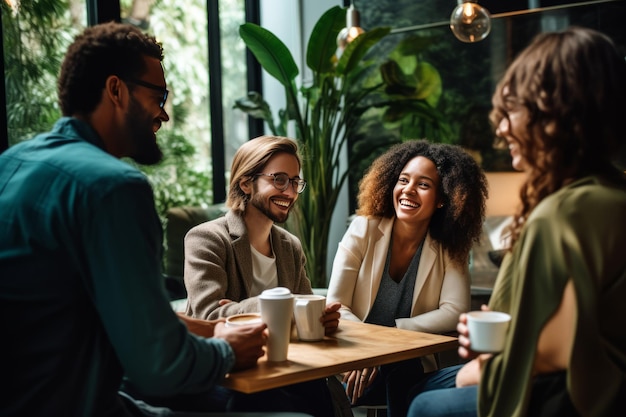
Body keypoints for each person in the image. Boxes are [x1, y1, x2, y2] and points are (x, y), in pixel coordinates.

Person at [0, 22, 303, 417]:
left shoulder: (12, 163)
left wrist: (213, 331)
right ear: (116, 90)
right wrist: (226, 350)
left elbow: (110, 318)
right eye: (157, 95)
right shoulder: (113, 188)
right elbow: (160, 367)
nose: (163, 113)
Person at [407, 26, 626, 417]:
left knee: (425, 404)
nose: (502, 128)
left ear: (554, 112)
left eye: (513, 111)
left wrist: (491, 349)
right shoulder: (612, 196)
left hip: (573, 399)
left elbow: (552, 354)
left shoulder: (561, 215)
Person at [183, 134, 343, 417]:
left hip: (286, 368)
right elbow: (208, 316)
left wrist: (319, 321)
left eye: (295, 182)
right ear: (246, 182)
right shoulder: (206, 238)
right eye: (279, 179)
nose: (290, 192)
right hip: (233, 377)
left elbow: (301, 309)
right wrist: (281, 305)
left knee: (323, 393)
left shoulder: (289, 246)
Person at [326, 139, 488, 417]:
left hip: (407, 370)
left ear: (441, 200)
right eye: (403, 180)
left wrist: (389, 342)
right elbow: (337, 305)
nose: (408, 190)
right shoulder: (363, 229)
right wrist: (370, 351)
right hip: (353, 368)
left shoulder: (450, 245)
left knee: (410, 368)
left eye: (423, 185)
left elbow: (455, 311)